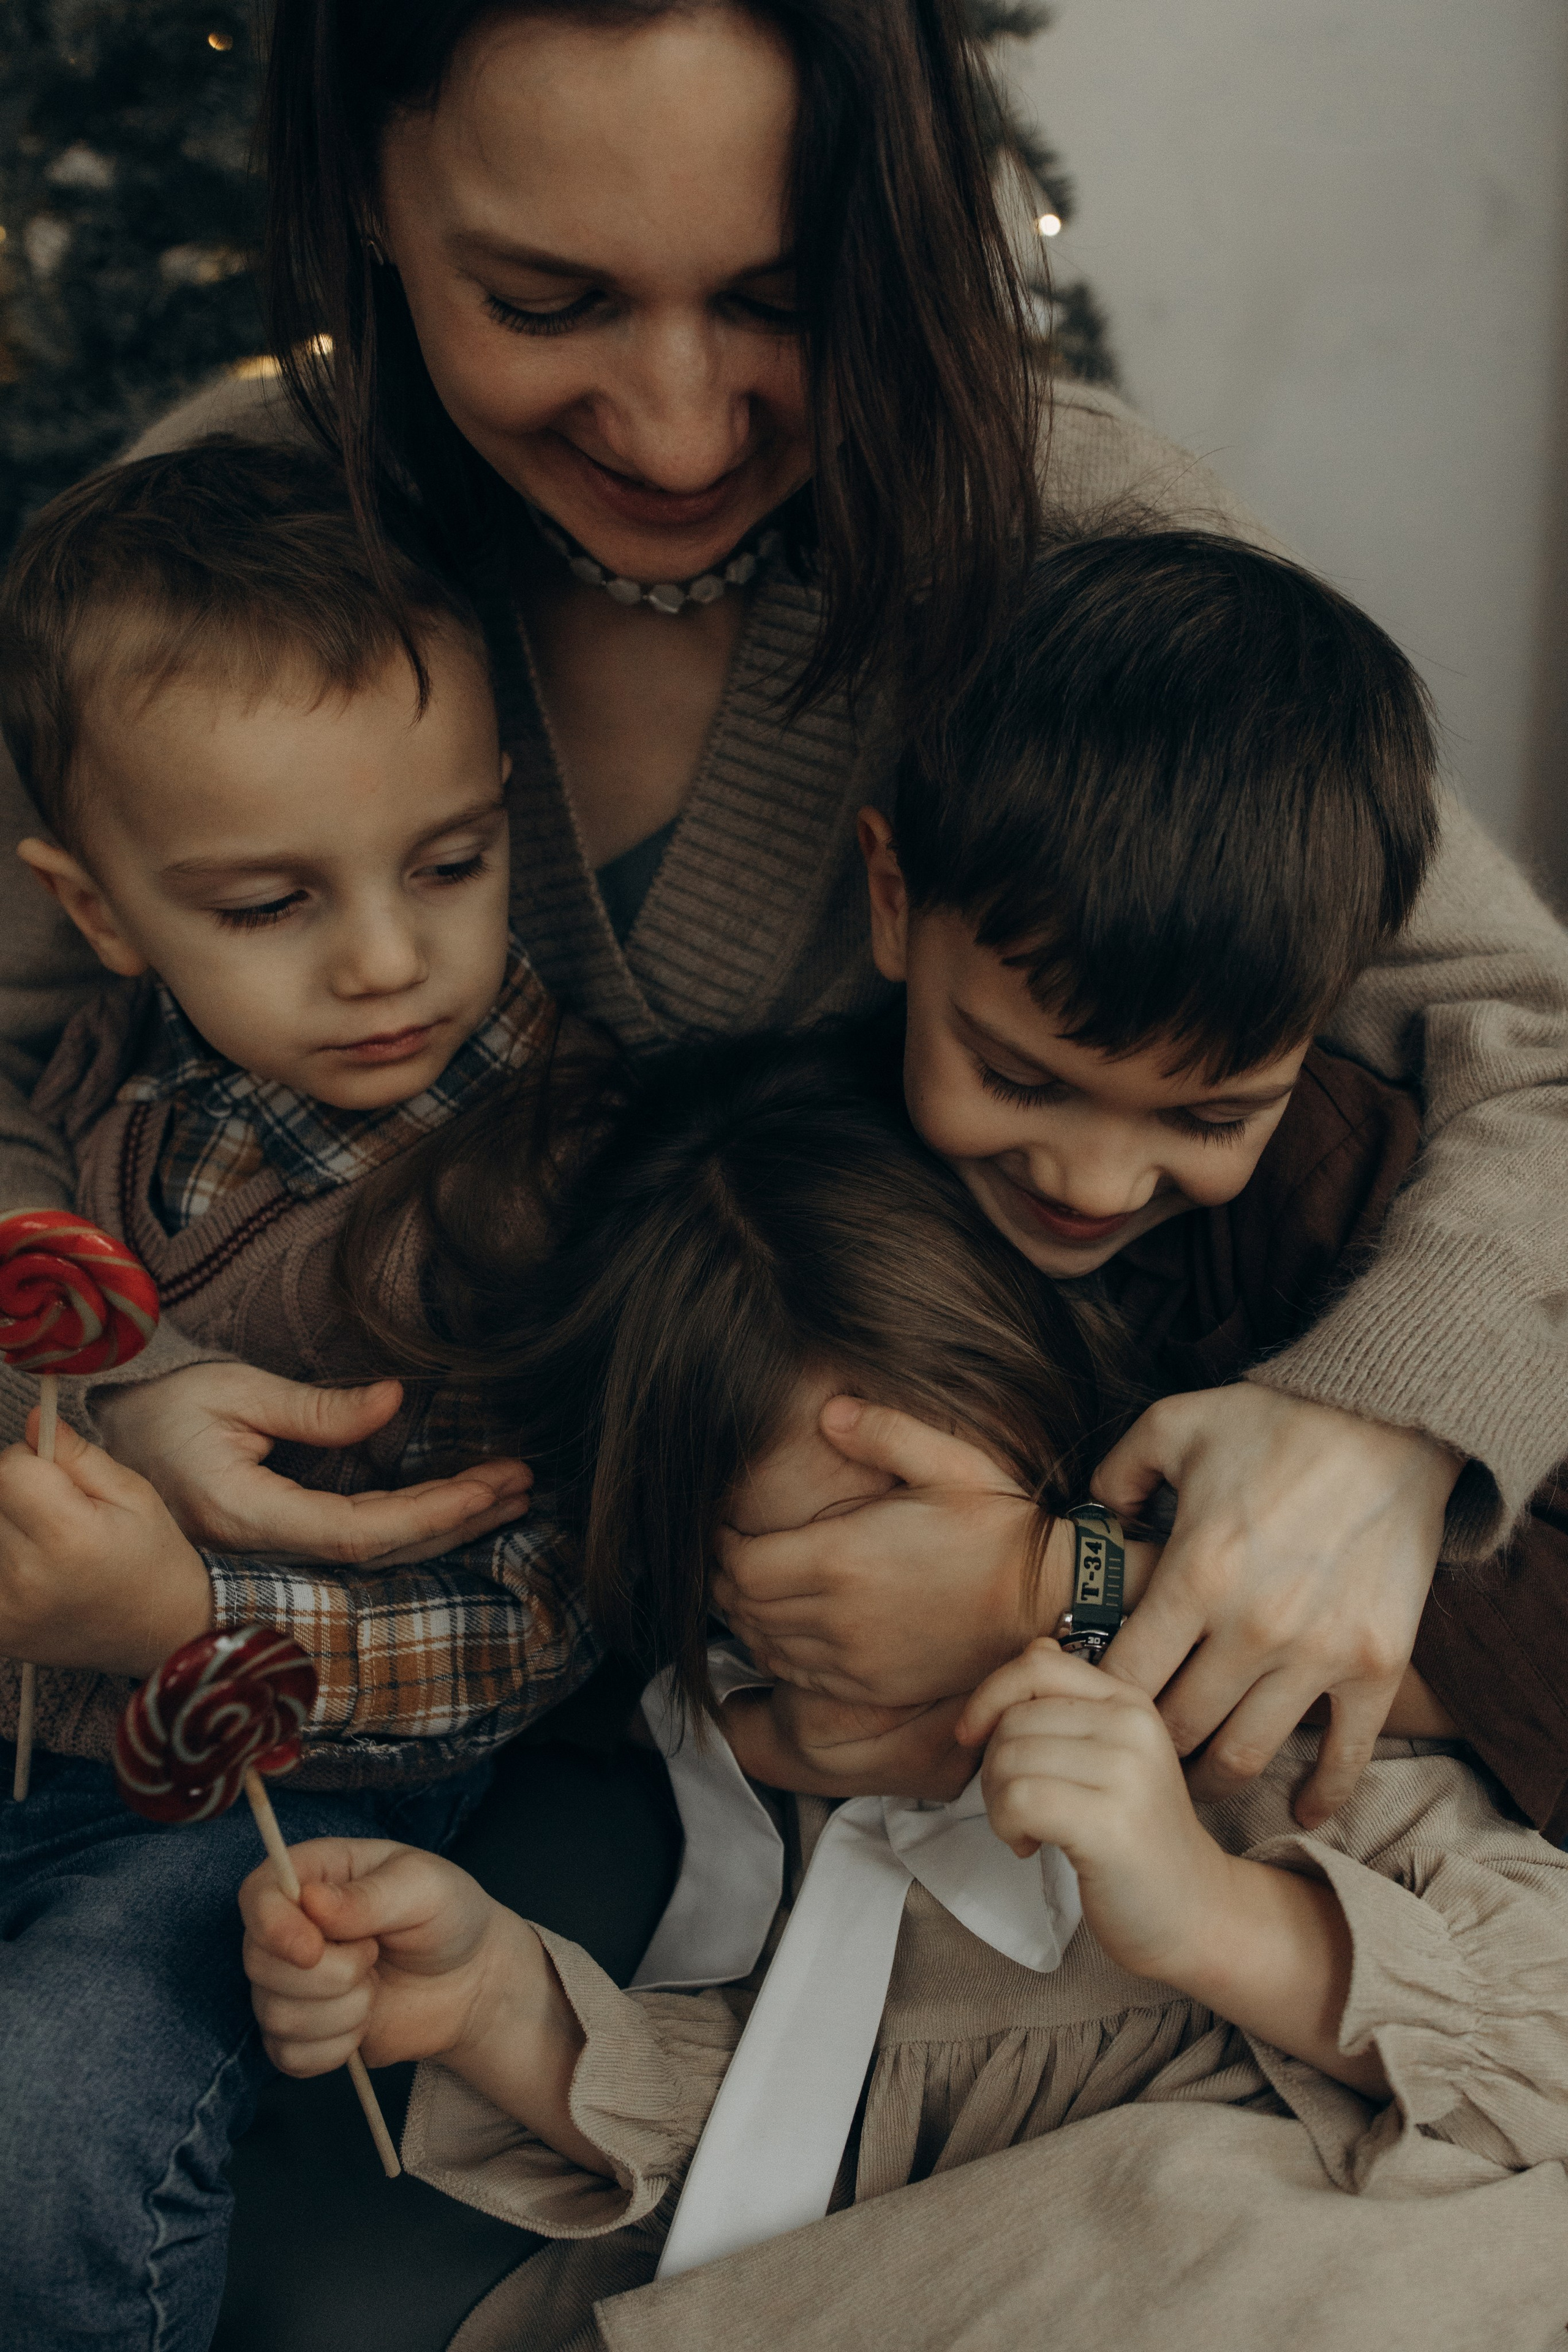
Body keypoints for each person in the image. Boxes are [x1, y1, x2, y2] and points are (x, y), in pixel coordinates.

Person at [0, 0, 1563, 1856]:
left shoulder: (1072, 532)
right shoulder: (216, 548)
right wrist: (89, 1392)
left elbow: (1526, 1045)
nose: (677, 431)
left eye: (783, 298)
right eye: (546, 303)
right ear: (367, 199)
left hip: (883, 1754)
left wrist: (1379, 1430)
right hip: (331, 1709)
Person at [238, 1036, 1568, 2352]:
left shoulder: (1270, 1749)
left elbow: (1538, 2056)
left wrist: (1209, 1914)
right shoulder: (800, 1830)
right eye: (806, 1575)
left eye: (913, 1505)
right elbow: (803, 2167)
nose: (889, 1597)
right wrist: (496, 2006)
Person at [0, 437, 616, 2352]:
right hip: (23, 1715)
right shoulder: (114, 1054)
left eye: (450, 864)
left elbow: (543, 1621)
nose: (384, 959)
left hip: (273, 1799)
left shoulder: (552, 1184)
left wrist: (189, 1622)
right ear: (100, 909)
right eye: (268, 903)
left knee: (54, 2110)